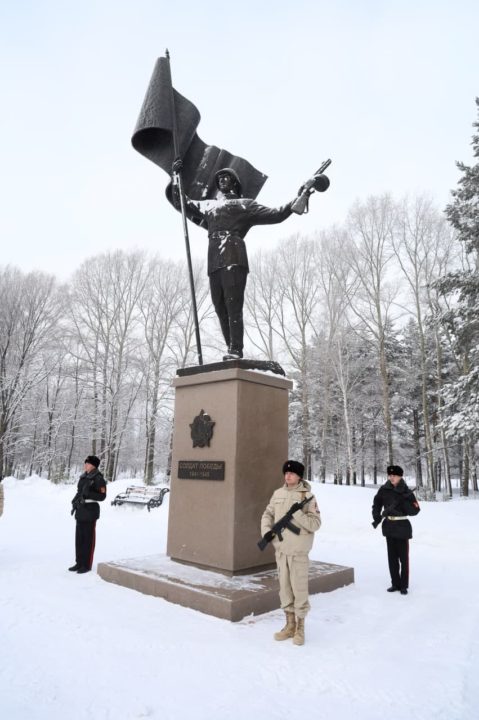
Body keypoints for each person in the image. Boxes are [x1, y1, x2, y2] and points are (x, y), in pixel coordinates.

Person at [173, 166, 296, 360]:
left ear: (235, 182)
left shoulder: (245, 204)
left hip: (234, 255)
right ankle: (231, 348)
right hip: (214, 260)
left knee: (233, 306)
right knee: (219, 307)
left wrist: (297, 200)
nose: (222, 179)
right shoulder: (209, 206)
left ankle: (236, 349)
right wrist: (176, 176)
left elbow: (277, 214)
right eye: (219, 177)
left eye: (227, 176)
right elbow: (181, 202)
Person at [261, 460, 321, 646]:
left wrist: (297, 514)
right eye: (286, 473)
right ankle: (289, 625)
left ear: (299, 476)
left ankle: (300, 628)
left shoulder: (308, 497)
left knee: (299, 590)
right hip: (281, 551)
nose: (288, 476)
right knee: (285, 590)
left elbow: (315, 524)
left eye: (292, 473)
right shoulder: (277, 494)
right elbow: (267, 514)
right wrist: (266, 532)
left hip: (298, 552)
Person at [372, 464, 421, 595]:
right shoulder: (384, 489)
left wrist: (404, 501)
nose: (391, 478)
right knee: (392, 558)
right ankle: (395, 583)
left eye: (394, 476)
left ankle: (403, 585)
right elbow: (376, 503)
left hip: (402, 527)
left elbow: (415, 510)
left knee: (403, 559)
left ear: (400, 477)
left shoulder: (406, 491)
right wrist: (376, 516)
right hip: (389, 527)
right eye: (390, 475)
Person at [69, 455, 107, 574]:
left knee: (88, 539)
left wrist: (89, 493)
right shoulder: (83, 476)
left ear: (93, 465)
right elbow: (79, 492)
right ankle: (79, 562)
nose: (85, 465)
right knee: (79, 538)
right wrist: (74, 501)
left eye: (87, 463)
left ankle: (86, 564)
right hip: (81, 510)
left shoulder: (98, 478)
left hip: (90, 510)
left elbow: (102, 496)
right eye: (85, 463)